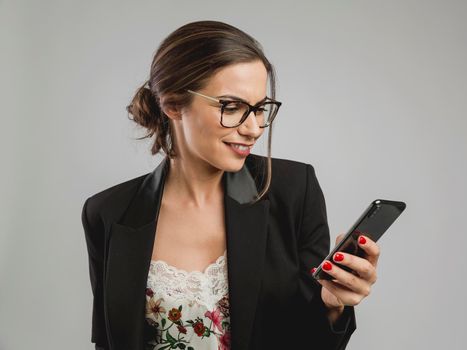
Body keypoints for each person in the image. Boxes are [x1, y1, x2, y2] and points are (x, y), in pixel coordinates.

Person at [81, 20, 380, 350]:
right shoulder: (108, 213)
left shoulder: (294, 191)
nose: (253, 128)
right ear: (172, 104)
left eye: (259, 109)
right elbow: (109, 341)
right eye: (231, 106)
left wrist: (332, 306)